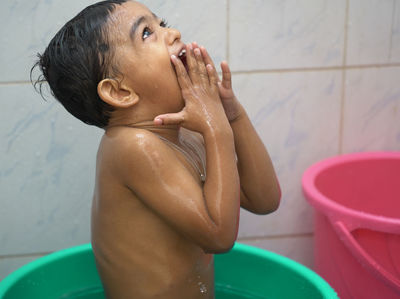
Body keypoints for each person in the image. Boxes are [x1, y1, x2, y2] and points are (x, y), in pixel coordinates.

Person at [32, 1, 281, 298]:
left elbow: (264, 199)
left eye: (162, 23)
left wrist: (231, 114)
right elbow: (219, 235)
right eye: (148, 33)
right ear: (120, 92)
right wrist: (216, 127)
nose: (173, 33)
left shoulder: (187, 132)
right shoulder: (130, 147)